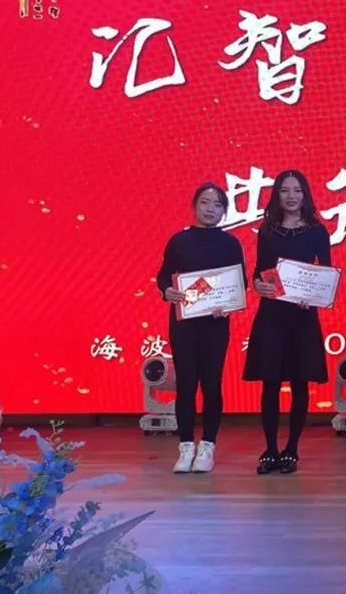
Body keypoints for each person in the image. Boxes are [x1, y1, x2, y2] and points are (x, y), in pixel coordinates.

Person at [244, 169, 331, 475]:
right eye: (285, 190)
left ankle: (292, 449)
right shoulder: (267, 231)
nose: (291, 196)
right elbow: (259, 270)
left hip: (302, 316)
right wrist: (257, 284)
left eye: (297, 190)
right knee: (270, 382)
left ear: (305, 195)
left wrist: (314, 296)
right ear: (276, 196)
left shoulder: (317, 231)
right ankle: (269, 449)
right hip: (272, 314)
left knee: (299, 381)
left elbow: (326, 273)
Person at [157, 182, 246, 474]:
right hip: (183, 323)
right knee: (185, 383)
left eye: (218, 204)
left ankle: (207, 446)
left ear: (224, 211)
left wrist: (228, 304)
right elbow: (163, 276)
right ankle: (185, 446)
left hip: (215, 324)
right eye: (205, 202)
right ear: (194, 206)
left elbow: (240, 283)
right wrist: (167, 291)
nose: (210, 209)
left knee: (211, 383)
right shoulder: (179, 241)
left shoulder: (230, 243)